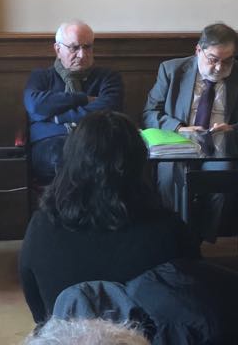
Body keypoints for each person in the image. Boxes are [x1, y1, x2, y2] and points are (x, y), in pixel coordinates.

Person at [19, 110, 200, 324]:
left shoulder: (41, 227)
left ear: (70, 160)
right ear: (139, 163)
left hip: (65, 336)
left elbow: (39, 314)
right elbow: (191, 302)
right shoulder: (170, 231)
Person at [143, 23, 238, 239]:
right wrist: (179, 127)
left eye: (227, 60)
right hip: (178, 146)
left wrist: (232, 128)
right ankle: (174, 237)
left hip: (219, 147)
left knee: (223, 181)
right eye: (213, 59)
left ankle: (203, 240)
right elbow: (150, 112)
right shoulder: (172, 71)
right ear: (199, 50)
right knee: (169, 179)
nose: (219, 67)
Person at [23, 20, 124, 180]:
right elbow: (35, 105)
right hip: (51, 141)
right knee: (63, 159)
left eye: (87, 47)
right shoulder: (41, 76)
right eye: (74, 48)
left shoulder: (108, 77)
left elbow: (108, 109)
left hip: (96, 138)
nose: (82, 54)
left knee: (107, 159)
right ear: (58, 49)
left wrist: (58, 117)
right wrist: (82, 98)